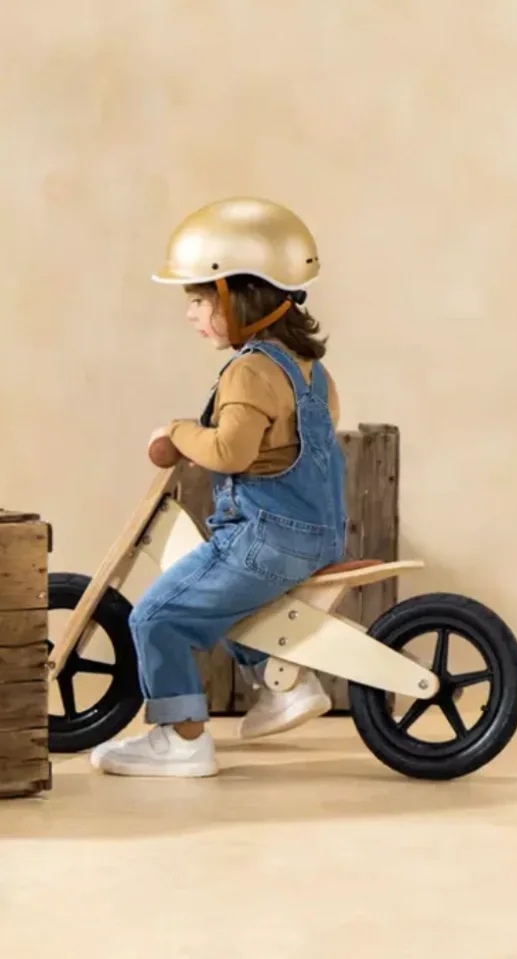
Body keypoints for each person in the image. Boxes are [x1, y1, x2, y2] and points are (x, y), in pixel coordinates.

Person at [90, 197, 347, 778]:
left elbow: (232, 452)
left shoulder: (250, 370)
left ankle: (181, 740)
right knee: (224, 599)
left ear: (241, 299)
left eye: (200, 300)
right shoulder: (311, 371)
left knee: (156, 617)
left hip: (267, 537)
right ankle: (285, 687)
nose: (191, 315)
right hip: (317, 533)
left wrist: (179, 432)